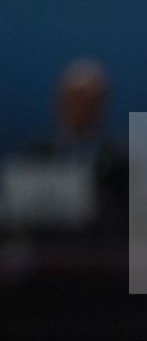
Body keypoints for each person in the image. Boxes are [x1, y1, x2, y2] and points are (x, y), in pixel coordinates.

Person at [10, 58, 126, 230]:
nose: (78, 107)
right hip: (44, 237)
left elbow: (126, 213)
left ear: (102, 105)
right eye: (72, 99)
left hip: (98, 238)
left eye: (87, 101)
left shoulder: (120, 159)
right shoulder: (36, 154)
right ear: (59, 102)